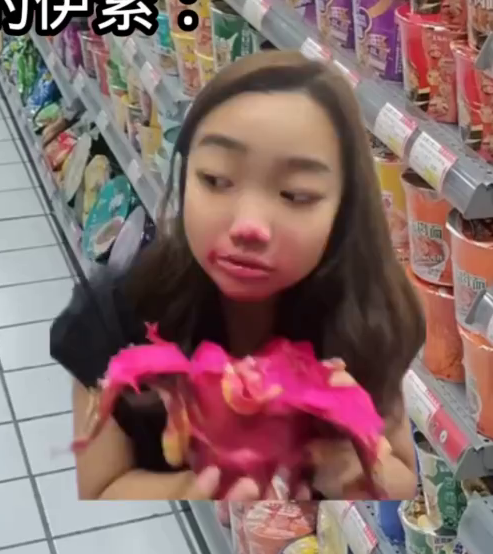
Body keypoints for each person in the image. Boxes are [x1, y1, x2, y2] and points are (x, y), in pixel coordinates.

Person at [50, 50, 425, 501]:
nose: (249, 225)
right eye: (216, 179)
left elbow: (405, 477)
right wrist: (206, 488)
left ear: (343, 209)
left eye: (296, 195)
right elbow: (101, 488)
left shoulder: (368, 321)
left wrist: (362, 466)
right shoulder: (112, 322)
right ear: (184, 177)